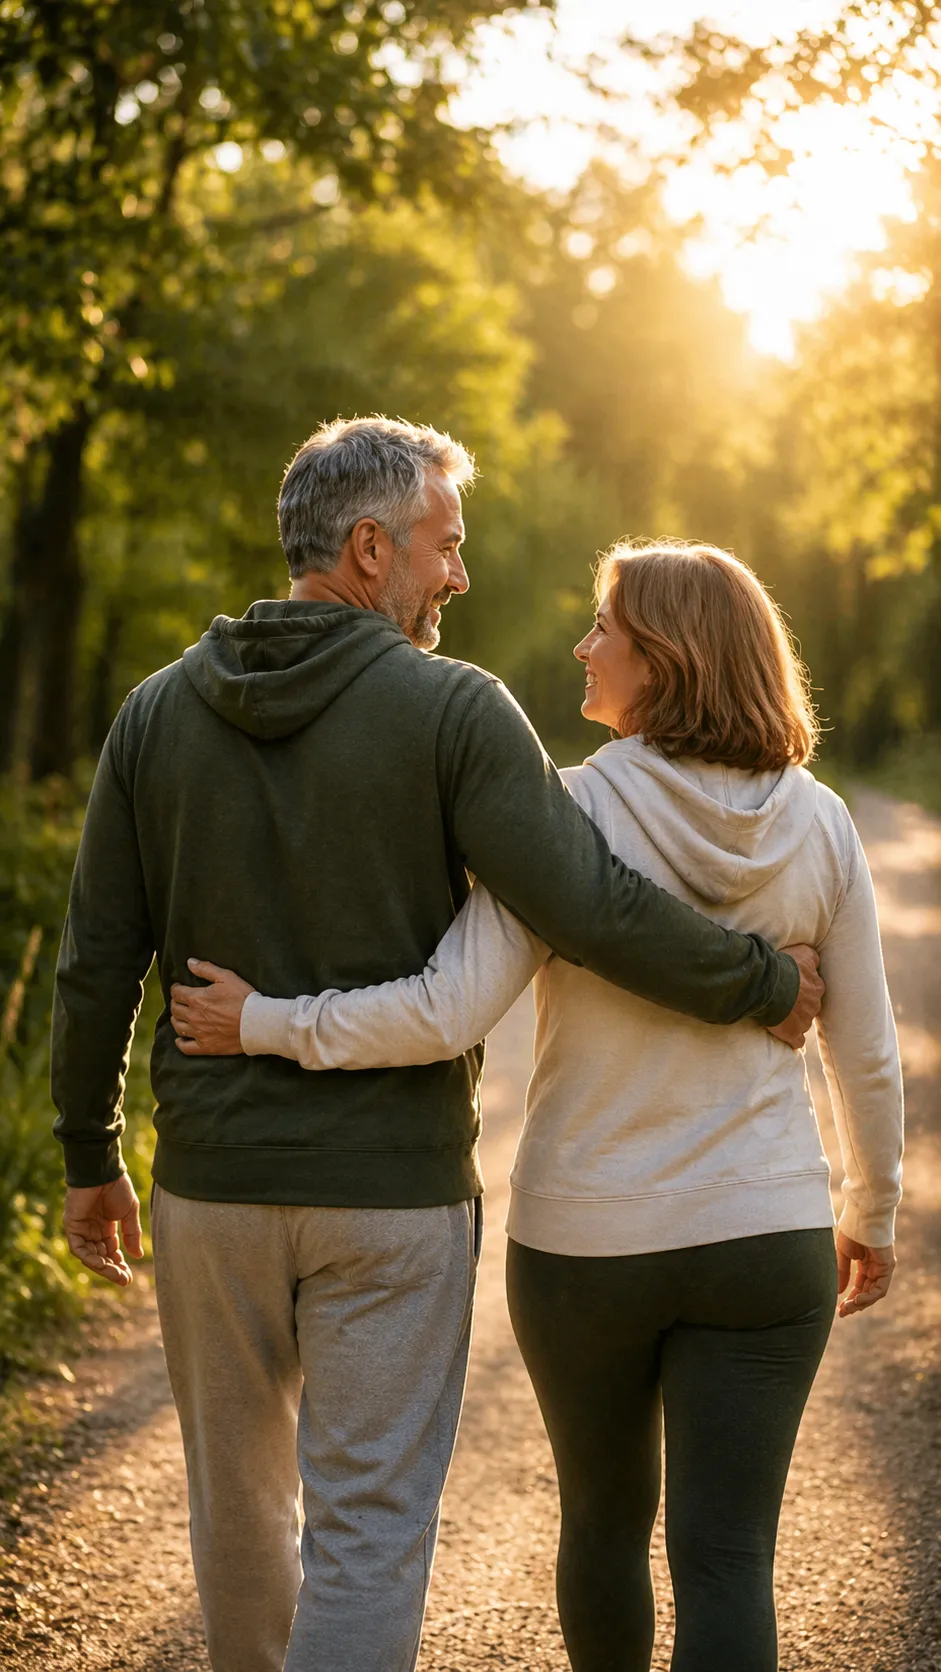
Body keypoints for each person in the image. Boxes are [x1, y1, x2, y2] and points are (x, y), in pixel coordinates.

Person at [53, 420, 821, 1672]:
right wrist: (756, 981)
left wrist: (89, 1153)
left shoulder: (154, 715)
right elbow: (587, 904)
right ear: (369, 550)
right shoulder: (453, 710)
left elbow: (96, 958)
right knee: (369, 1531)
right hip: (392, 1200)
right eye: (443, 546)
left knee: (236, 1517)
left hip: (213, 1191)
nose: (456, 576)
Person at [172, 538, 903, 1672]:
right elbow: (864, 1049)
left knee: (603, 1530)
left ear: (663, 658)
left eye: (602, 624)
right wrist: (874, 1207)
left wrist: (264, 1019)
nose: (581, 644)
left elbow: (444, 1008)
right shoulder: (819, 823)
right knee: (726, 1562)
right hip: (764, 1236)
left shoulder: (565, 813)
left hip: (585, 1243)